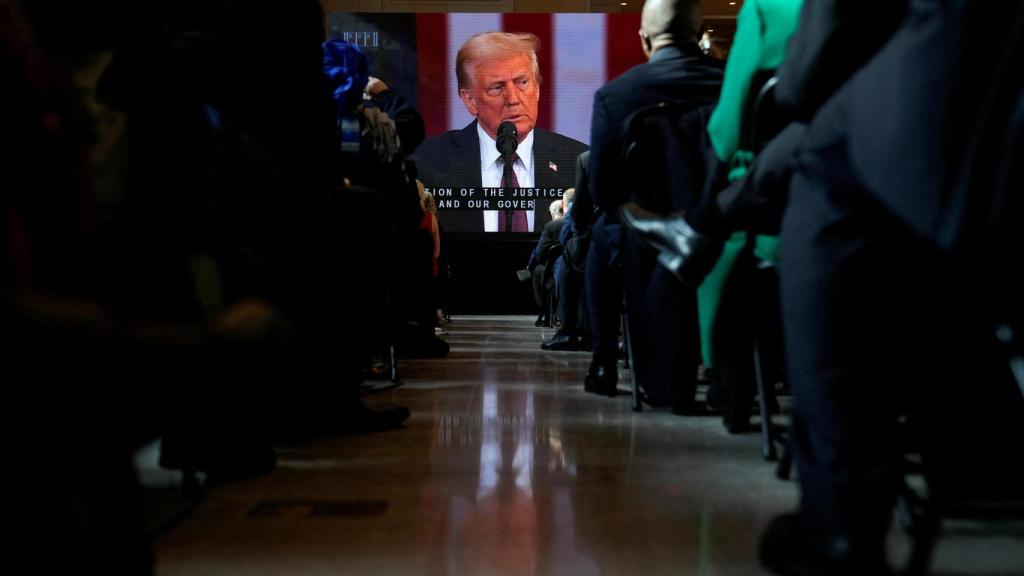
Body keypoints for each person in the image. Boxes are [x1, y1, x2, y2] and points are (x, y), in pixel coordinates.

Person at [584, 0, 723, 398]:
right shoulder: (729, 83)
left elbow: (603, 192)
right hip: (722, 224)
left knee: (600, 241)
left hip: (644, 234)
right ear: (698, 38)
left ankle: (604, 366)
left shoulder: (615, 95)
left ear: (644, 39)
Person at [412, 32, 588, 233]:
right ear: (470, 101)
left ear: (537, 89)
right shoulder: (428, 163)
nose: (513, 98)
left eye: (522, 82)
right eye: (496, 87)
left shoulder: (578, 163)